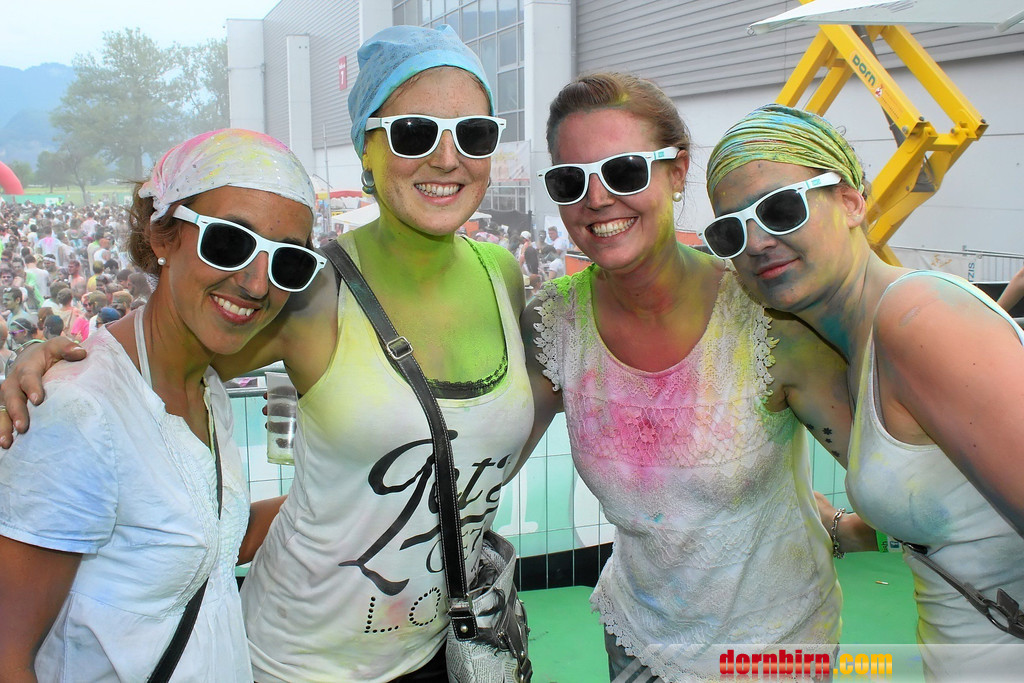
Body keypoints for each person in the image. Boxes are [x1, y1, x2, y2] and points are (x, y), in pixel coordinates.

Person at [0, 25, 534, 682]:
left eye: (473, 133)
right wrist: (49, 366)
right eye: (414, 133)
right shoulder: (311, 293)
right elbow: (136, 375)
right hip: (297, 658)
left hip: (432, 648)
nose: (447, 158)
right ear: (365, 147)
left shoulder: (502, 277)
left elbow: (223, 505)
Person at [522, 73, 865, 681]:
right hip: (637, 642)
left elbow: (898, 475)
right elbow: (477, 465)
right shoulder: (556, 324)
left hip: (775, 654)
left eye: (625, 171)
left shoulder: (766, 318)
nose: (597, 199)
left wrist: (844, 525)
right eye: (571, 181)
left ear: (678, 171)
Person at [704, 103, 1024, 678]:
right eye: (731, 230)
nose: (757, 241)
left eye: (781, 209)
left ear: (852, 202)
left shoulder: (918, 318)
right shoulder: (859, 343)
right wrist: (840, 526)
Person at [0, 128, 322, 682]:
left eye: (287, 262)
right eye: (229, 242)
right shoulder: (78, 410)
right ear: (161, 236)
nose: (256, 283)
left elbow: (207, 545)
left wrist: (348, 493)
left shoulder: (205, 386)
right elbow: (8, 656)